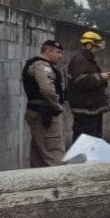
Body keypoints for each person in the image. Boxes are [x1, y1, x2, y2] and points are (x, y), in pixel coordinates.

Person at [21, 39, 66, 167]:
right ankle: (59, 184)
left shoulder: (39, 64)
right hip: (44, 114)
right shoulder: (42, 66)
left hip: (40, 113)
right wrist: (57, 107)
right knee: (54, 154)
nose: (60, 56)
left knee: (40, 154)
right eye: (57, 52)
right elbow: (47, 90)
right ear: (47, 50)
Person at [66, 30, 110, 138]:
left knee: (92, 142)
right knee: (84, 142)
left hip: (91, 109)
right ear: (89, 45)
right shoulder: (80, 59)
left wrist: (102, 78)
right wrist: (101, 77)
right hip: (85, 111)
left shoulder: (87, 60)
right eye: (96, 47)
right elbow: (81, 82)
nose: (98, 50)